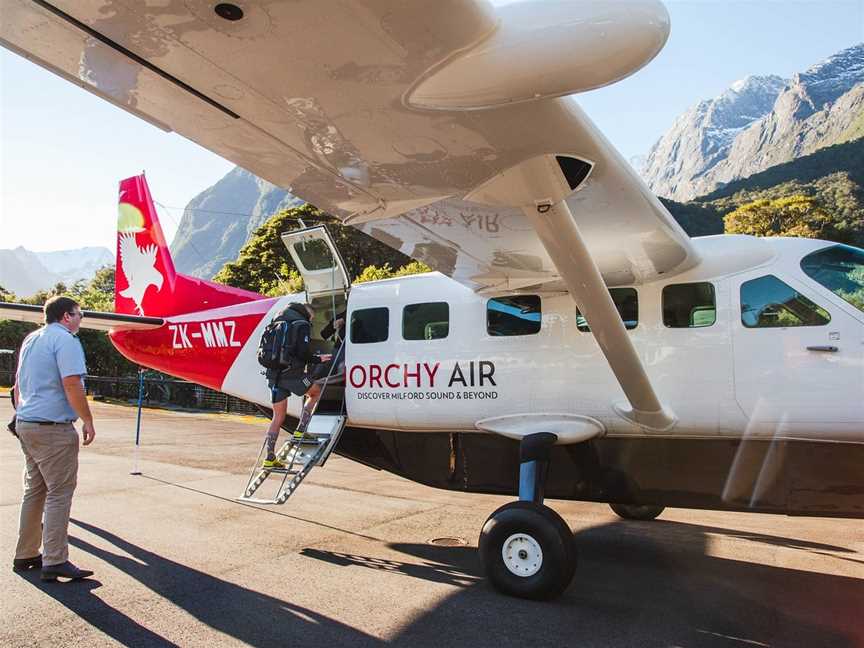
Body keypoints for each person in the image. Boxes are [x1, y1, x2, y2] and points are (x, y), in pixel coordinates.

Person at [12, 296, 95, 581]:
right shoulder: (67, 340)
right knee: (60, 492)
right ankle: (55, 559)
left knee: (34, 490)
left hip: (27, 423)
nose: (80, 318)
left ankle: (25, 554)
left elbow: (17, 386)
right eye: (78, 314)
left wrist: (22, 414)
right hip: (52, 429)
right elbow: (72, 383)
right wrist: (87, 419)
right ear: (65, 317)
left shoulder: (32, 339)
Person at [262, 303, 331, 469]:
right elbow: (302, 353)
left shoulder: (277, 320)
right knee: (316, 392)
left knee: (277, 417)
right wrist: (318, 359)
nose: (311, 321)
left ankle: (269, 458)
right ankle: (301, 429)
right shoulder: (301, 324)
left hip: (273, 375)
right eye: (312, 318)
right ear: (307, 312)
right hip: (292, 375)